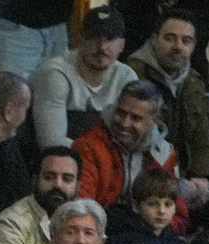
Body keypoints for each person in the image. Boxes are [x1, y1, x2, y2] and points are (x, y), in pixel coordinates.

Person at [128, 12, 209, 190]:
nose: (178, 47)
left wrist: (203, 178)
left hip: (182, 176)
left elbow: (201, 136)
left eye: (186, 41)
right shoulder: (132, 74)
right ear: (154, 39)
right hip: (142, 177)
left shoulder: (193, 81)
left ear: (194, 46)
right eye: (169, 38)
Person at [31, 8, 136, 149]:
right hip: (61, 159)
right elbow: (51, 142)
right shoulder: (55, 74)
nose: (102, 47)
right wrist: (100, 155)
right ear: (80, 40)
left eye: (110, 39)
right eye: (94, 37)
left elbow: (140, 133)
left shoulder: (126, 77)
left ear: (122, 45)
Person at [74, 83, 183, 212]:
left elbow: (178, 214)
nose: (125, 124)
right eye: (121, 113)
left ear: (155, 120)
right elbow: (82, 208)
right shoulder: (89, 147)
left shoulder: (163, 155)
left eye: (135, 118)